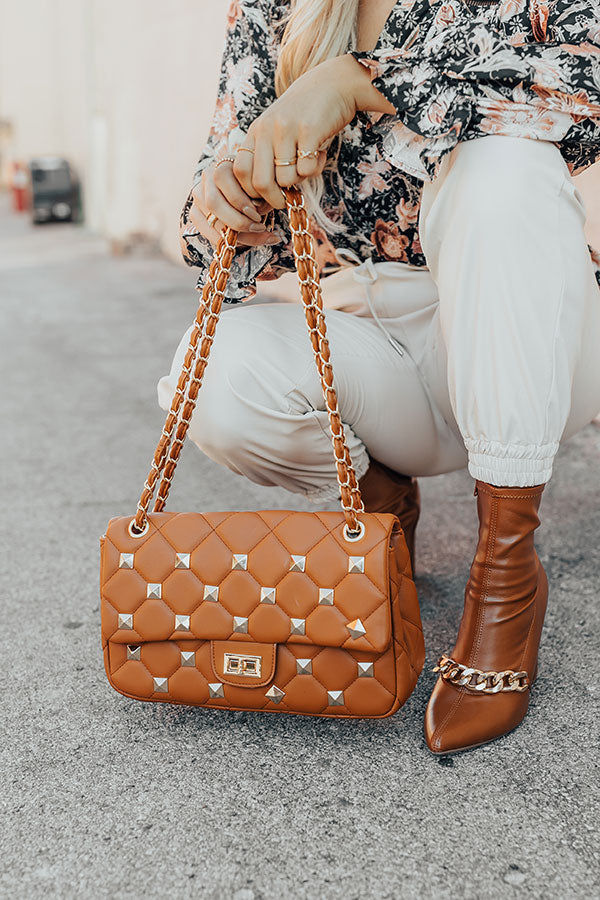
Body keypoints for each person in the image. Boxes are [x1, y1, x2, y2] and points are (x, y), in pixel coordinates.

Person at [158, 0, 600, 753]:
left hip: (524, 328)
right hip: (365, 349)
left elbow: (582, 96)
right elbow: (210, 242)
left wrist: (356, 80)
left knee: (502, 167)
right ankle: (382, 503)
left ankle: (507, 574)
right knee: (209, 378)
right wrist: (229, 197)